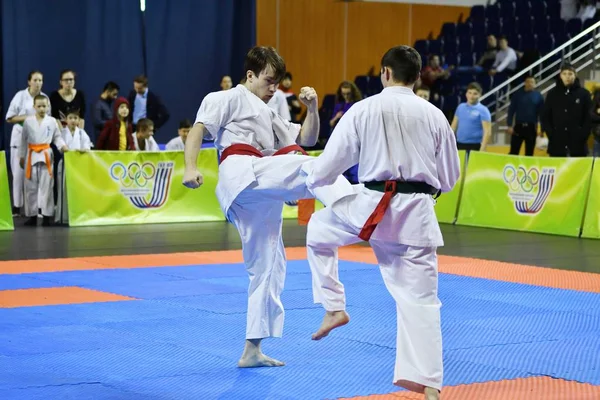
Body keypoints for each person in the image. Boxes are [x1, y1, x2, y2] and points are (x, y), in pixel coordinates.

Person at [302, 45, 460, 400]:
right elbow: (449, 179)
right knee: (421, 301)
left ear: (385, 72)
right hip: (416, 217)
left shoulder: (363, 109)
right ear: (418, 77)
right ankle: (430, 385)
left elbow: (329, 167)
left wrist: (310, 180)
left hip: (369, 210)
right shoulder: (435, 115)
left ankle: (334, 306)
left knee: (318, 229)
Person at [182, 46, 353, 369]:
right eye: (269, 81)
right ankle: (357, 209)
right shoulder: (224, 98)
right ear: (250, 75)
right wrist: (190, 166)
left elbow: (307, 138)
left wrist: (313, 108)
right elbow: (198, 130)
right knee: (309, 169)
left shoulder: (271, 113)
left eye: (277, 82)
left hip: (259, 189)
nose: (274, 88)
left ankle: (251, 350)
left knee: (269, 267)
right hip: (243, 173)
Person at [5, 71, 51, 215]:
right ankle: (17, 207)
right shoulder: (20, 96)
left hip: (38, 142)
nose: (38, 83)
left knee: (36, 176)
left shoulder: (45, 98)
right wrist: (28, 117)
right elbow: (9, 118)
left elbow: (47, 120)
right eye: (35, 80)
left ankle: (37, 208)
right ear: (29, 82)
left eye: (40, 80)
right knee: (18, 174)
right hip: (19, 139)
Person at [19, 95, 68, 226]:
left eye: (44, 106)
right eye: (39, 106)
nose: (42, 108)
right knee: (30, 187)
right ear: (34, 107)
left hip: (46, 154)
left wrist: (62, 146)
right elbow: (23, 140)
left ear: (48, 107)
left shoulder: (52, 121)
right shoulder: (28, 121)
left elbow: (57, 137)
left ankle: (46, 216)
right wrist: (22, 156)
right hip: (31, 154)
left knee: (47, 186)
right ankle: (32, 216)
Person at [55, 110, 92, 225]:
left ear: (79, 120)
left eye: (76, 118)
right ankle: (63, 217)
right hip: (66, 163)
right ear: (66, 120)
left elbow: (87, 144)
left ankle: (77, 216)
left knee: (78, 190)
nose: (73, 120)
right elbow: (58, 142)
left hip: (78, 165)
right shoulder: (62, 132)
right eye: (70, 118)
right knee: (64, 190)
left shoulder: (81, 133)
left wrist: (85, 149)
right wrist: (63, 147)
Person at [507, 76, 544, 156]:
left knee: (529, 153)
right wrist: (509, 125)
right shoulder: (517, 94)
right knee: (513, 152)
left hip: (531, 128)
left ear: (535, 84)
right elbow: (511, 110)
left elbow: (542, 114)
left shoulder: (538, 96)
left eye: (532, 82)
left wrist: (542, 129)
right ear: (524, 83)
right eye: (528, 82)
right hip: (518, 126)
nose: (530, 84)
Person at [451, 82, 492, 152]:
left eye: (475, 94)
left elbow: (487, 131)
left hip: (475, 146)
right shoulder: (460, 107)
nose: (471, 96)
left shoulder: (483, 110)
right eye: (469, 93)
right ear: (466, 94)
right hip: (459, 144)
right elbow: (453, 127)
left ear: (480, 95)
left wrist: (482, 148)